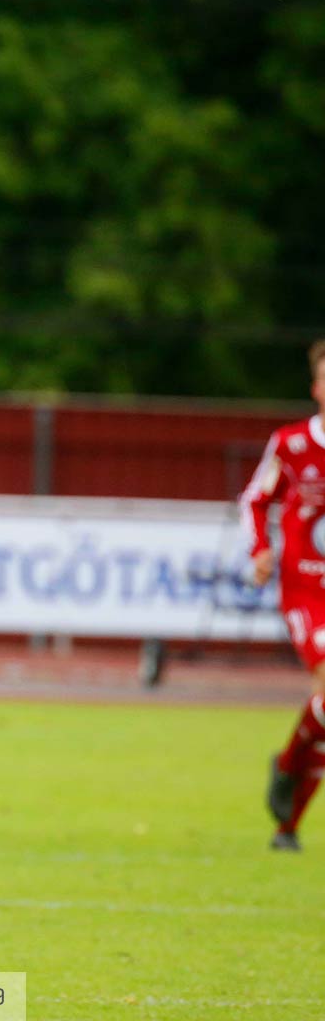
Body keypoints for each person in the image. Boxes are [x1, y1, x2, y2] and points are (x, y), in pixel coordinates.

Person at [242, 338, 325, 852]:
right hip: (306, 589)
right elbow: (256, 498)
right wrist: (259, 550)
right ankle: (290, 782)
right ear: (318, 387)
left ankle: (288, 808)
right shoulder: (293, 444)